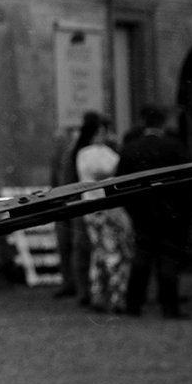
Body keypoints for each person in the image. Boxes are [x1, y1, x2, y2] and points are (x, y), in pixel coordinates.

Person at [117, 106, 190, 318]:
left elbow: (121, 184)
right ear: (163, 124)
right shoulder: (174, 147)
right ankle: (169, 307)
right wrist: (183, 209)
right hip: (170, 213)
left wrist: (131, 209)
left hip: (141, 212)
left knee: (141, 258)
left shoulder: (131, 149)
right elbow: (186, 182)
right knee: (168, 260)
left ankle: (134, 304)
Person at [73, 118, 128, 311]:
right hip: (104, 207)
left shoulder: (84, 153)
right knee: (112, 252)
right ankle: (114, 295)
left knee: (99, 252)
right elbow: (106, 171)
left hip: (92, 207)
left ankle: (99, 292)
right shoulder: (95, 153)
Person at [50, 112, 103, 301]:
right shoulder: (79, 149)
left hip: (73, 200)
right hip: (79, 201)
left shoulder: (74, 149)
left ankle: (80, 288)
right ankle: (83, 288)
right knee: (80, 247)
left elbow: (62, 176)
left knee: (77, 247)